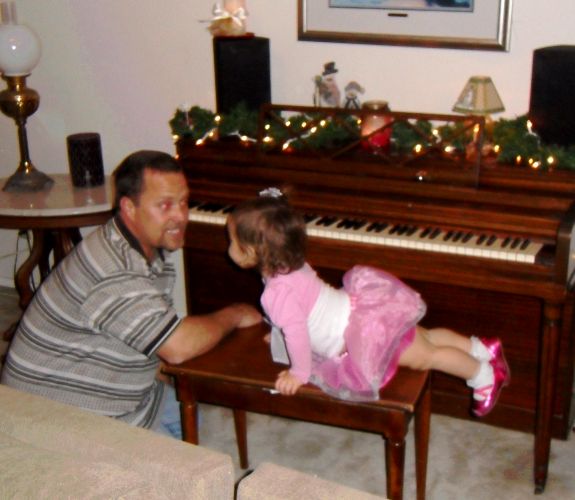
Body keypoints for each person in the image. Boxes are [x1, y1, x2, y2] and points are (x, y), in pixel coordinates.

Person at [1, 150, 261, 438]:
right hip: (56, 419)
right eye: (164, 205)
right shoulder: (113, 269)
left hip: (123, 397)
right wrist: (235, 314)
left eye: (184, 202)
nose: (181, 216)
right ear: (129, 208)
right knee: (185, 470)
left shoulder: (145, 245)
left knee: (189, 419)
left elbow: (155, 335)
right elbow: (178, 347)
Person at [226, 188, 510, 416]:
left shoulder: (276, 294)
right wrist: (278, 333)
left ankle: (483, 375)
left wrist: (299, 373)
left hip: (362, 336)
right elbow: (296, 317)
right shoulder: (290, 264)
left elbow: (297, 331)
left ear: (253, 252)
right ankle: (482, 348)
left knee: (427, 357)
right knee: (425, 337)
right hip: (361, 313)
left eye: (232, 242)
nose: (228, 248)